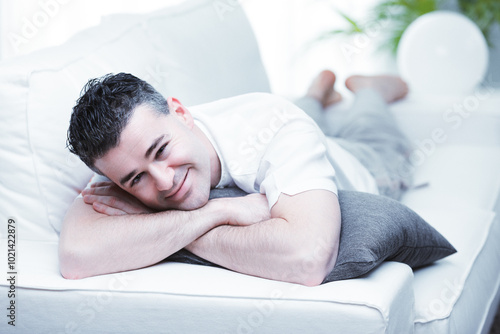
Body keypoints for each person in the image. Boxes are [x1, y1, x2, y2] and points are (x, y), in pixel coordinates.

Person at [59, 70, 412, 286]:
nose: (163, 182)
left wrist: (167, 230)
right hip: (291, 137)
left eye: (161, 150)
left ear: (181, 113)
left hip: (365, 163)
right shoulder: (126, 154)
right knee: (303, 113)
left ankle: (368, 89)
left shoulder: (275, 125)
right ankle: (315, 93)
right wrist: (213, 214)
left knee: (368, 129)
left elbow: (309, 259)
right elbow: (76, 256)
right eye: (136, 180)